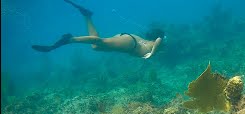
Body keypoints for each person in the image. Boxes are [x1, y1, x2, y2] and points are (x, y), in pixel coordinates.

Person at [32, 0, 165, 59]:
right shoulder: (155, 43)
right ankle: (70, 39)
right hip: (131, 43)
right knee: (101, 41)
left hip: (129, 43)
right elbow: (159, 39)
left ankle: (87, 16)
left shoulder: (149, 43)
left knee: (95, 47)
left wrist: (151, 53)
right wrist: (152, 54)